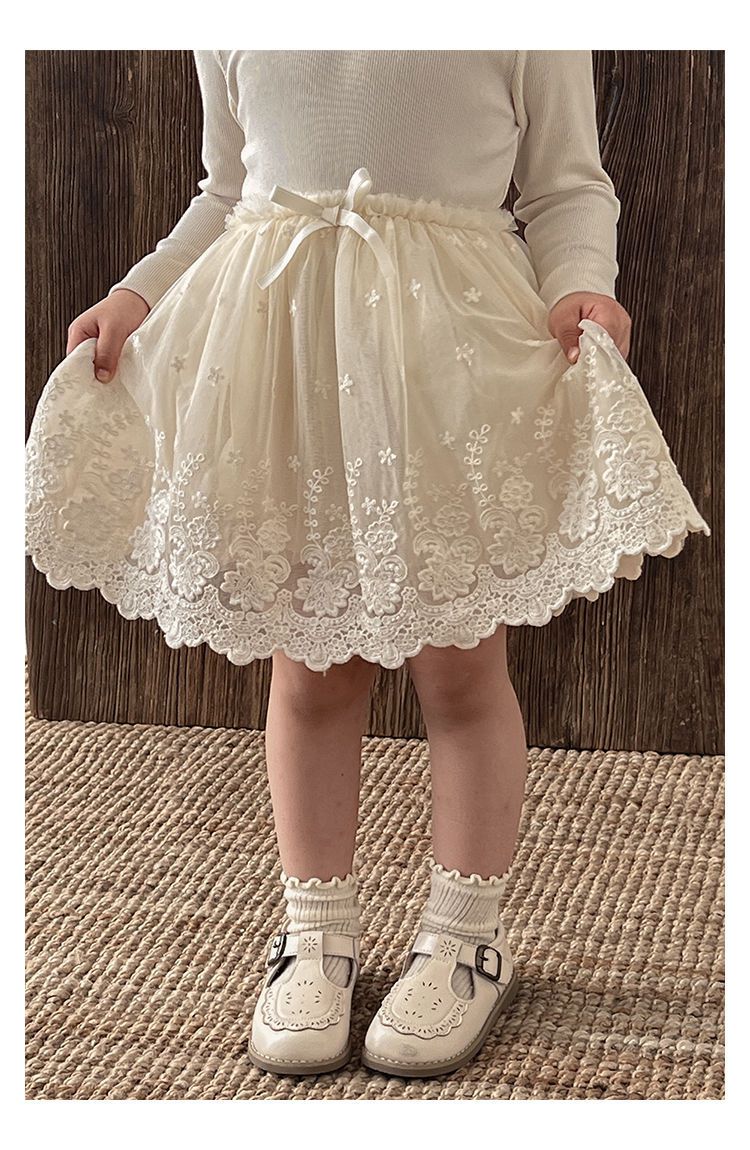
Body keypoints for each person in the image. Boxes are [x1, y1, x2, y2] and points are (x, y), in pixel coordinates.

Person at [25, 50, 711, 1079]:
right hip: (285, 365)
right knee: (310, 672)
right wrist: (139, 292)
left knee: (461, 673)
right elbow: (225, 191)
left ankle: (468, 934)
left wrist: (583, 285)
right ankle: (315, 933)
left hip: (446, 365)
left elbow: (568, 184)